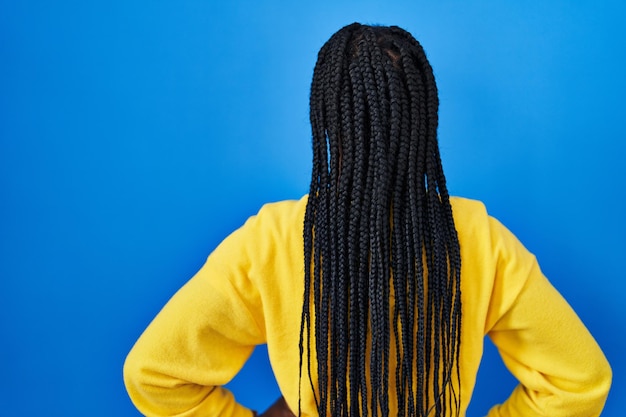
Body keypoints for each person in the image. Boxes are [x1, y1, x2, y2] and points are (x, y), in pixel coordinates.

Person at [123, 23, 612, 417]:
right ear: (424, 119)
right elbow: (580, 382)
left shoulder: (269, 241)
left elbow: (154, 374)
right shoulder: (477, 240)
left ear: (327, 122)